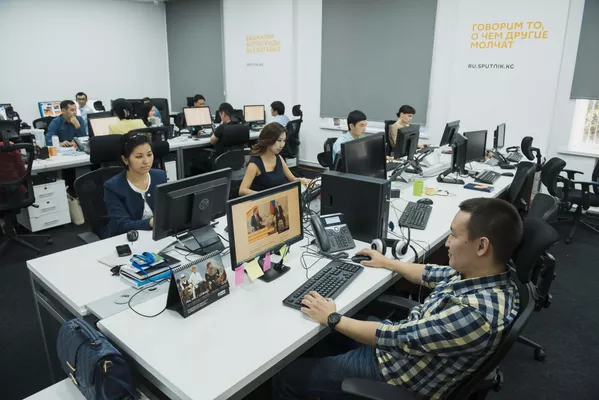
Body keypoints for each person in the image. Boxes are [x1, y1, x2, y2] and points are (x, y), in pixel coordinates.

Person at [272, 197, 523, 400]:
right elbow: (430, 273)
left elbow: (395, 337)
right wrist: (388, 262)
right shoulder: (485, 275)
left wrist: (333, 318)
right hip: (406, 351)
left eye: (454, 236)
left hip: (393, 374)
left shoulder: (476, 314)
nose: (447, 243)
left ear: (481, 246)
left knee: (285, 376)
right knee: (321, 339)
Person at [103, 133, 167, 238]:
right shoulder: (112, 186)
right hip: (128, 238)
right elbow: (121, 225)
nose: (146, 161)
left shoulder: (160, 176)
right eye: (139, 156)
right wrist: (151, 222)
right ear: (125, 159)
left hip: (156, 234)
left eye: (149, 154)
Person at [239, 123, 310, 195]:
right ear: (268, 140)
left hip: (278, 198)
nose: (282, 145)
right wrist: (265, 196)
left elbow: (292, 179)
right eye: (279, 140)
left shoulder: (278, 158)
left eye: (284, 141)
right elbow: (242, 190)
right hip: (264, 200)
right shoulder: (254, 164)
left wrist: (302, 180)